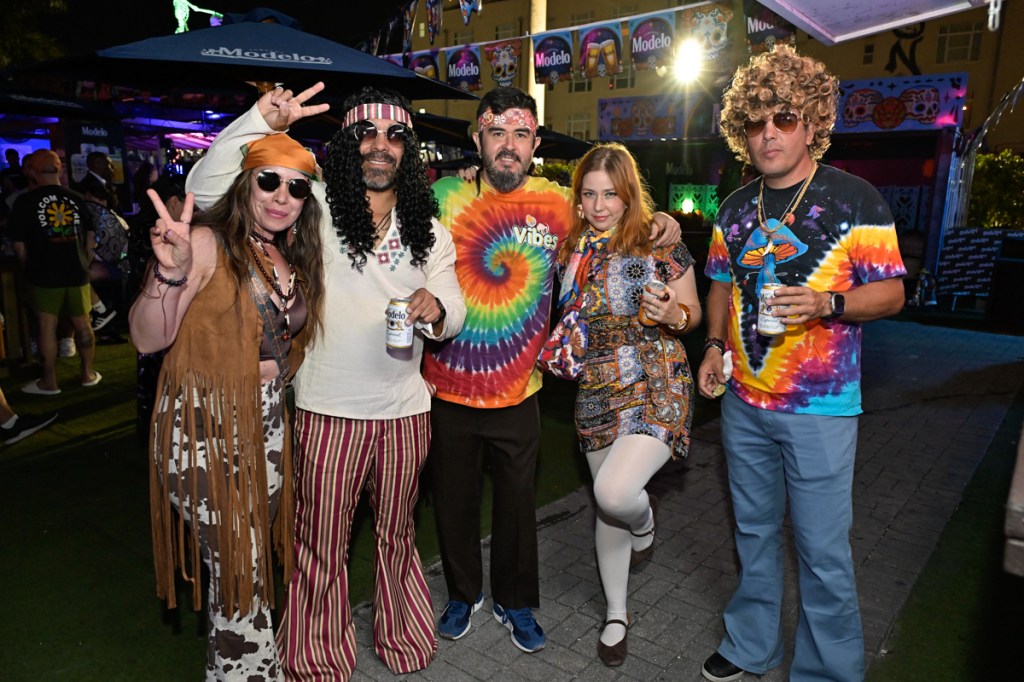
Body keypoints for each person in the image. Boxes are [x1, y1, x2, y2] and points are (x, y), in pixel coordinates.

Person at [185, 83, 466, 680]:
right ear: (346, 143)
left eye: (395, 137)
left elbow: (455, 308)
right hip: (325, 409)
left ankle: (402, 633)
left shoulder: (431, 232)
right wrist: (258, 118)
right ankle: (316, 652)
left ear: (408, 152)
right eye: (367, 133)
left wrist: (436, 308)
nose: (380, 147)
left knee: (396, 534)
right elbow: (208, 189)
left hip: (406, 415)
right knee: (320, 544)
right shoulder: (311, 207)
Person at [421, 86, 679, 654]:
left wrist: (663, 220)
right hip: (444, 385)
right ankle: (463, 594)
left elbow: (613, 211)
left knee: (517, 507)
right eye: (496, 133)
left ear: (534, 142)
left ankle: (517, 604)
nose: (508, 146)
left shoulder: (560, 204)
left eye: (520, 134)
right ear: (478, 139)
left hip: (520, 390)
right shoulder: (444, 193)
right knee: (454, 501)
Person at [697, 45, 906, 682]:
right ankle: (749, 645)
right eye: (757, 121)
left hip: (821, 410)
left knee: (821, 551)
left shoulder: (854, 198)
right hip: (744, 403)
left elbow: (894, 292)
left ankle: (829, 672)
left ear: (812, 122)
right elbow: (720, 285)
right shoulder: (735, 208)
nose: (769, 134)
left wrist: (828, 300)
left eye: (784, 118)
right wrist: (712, 345)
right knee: (754, 535)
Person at [129, 132, 325, 681]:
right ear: (245, 183)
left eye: (296, 187)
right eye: (268, 180)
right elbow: (147, 338)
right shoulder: (209, 243)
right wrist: (169, 271)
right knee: (241, 567)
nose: (280, 195)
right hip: (204, 426)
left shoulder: (286, 254)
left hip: (264, 423)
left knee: (250, 568)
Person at [550, 143, 701, 666]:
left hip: (655, 376)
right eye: (588, 194)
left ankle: (645, 523)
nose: (598, 206)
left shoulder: (659, 240)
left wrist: (671, 313)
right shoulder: (570, 249)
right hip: (595, 385)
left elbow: (693, 316)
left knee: (616, 494)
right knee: (605, 506)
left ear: (629, 193)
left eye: (610, 194)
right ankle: (617, 611)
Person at [9, 150, 101, 395]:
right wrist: (83, 261)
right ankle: (87, 374)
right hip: (76, 272)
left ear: (32, 172)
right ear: (59, 169)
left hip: (43, 273)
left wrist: (30, 266)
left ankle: (50, 382)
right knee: (83, 324)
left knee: (46, 326)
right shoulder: (77, 198)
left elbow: (19, 247)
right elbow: (91, 240)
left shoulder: (24, 202)